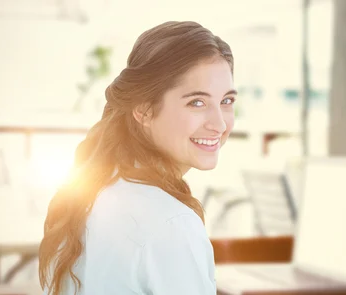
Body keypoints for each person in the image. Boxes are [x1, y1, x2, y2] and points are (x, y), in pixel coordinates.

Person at [38, 21, 237, 295]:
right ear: (143, 110)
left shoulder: (91, 193)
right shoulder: (172, 224)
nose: (219, 123)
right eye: (197, 102)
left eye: (226, 101)